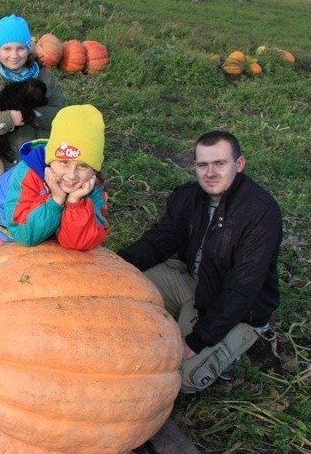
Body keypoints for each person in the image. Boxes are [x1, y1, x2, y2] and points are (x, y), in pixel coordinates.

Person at [117, 131, 282, 393]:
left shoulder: (261, 213)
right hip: (193, 282)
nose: (210, 173)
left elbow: (242, 290)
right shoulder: (188, 198)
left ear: (239, 165)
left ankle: (234, 349)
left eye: (220, 164)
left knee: (181, 378)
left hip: (237, 309)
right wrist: (115, 267)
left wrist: (196, 340)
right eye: (202, 165)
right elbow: (158, 241)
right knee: (120, 290)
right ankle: (182, 323)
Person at [0, 104, 108, 251]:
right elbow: (25, 235)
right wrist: (56, 200)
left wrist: (75, 202)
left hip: (41, 215)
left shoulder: (94, 189)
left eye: (83, 166)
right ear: (50, 160)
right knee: (6, 262)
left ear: (94, 171)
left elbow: (77, 244)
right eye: (64, 162)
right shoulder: (27, 174)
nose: (71, 175)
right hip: (9, 216)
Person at [0, 14, 67, 169]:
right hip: (7, 162)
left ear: (28, 49)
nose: (14, 55)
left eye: (20, 48)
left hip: (45, 159)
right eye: (7, 49)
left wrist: (31, 114)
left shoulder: (45, 78)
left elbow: (62, 115)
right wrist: (8, 119)